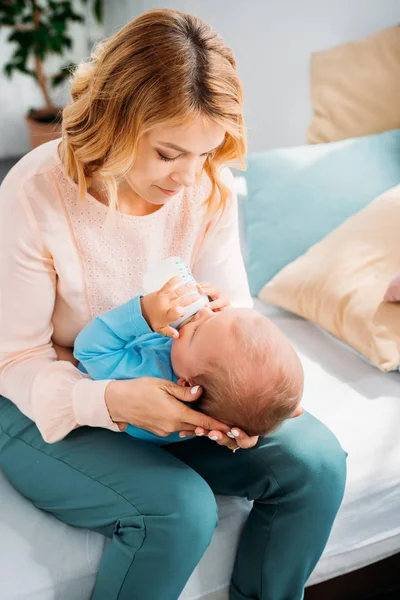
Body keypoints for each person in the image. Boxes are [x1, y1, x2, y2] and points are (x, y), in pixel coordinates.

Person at [0, 8, 346, 600]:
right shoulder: (35, 194)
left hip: (176, 383)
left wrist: (233, 410)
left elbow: (232, 316)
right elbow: (16, 358)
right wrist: (108, 399)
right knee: (179, 511)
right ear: (112, 119)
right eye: (168, 153)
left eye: (204, 153)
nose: (188, 177)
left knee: (316, 464)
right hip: (43, 396)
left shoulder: (206, 188)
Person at [74, 281, 304, 443]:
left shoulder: (147, 374)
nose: (203, 311)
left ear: (186, 386)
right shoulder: (199, 366)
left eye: (198, 329)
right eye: (216, 313)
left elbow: (89, 349)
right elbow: (231, 350)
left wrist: (143, 314)